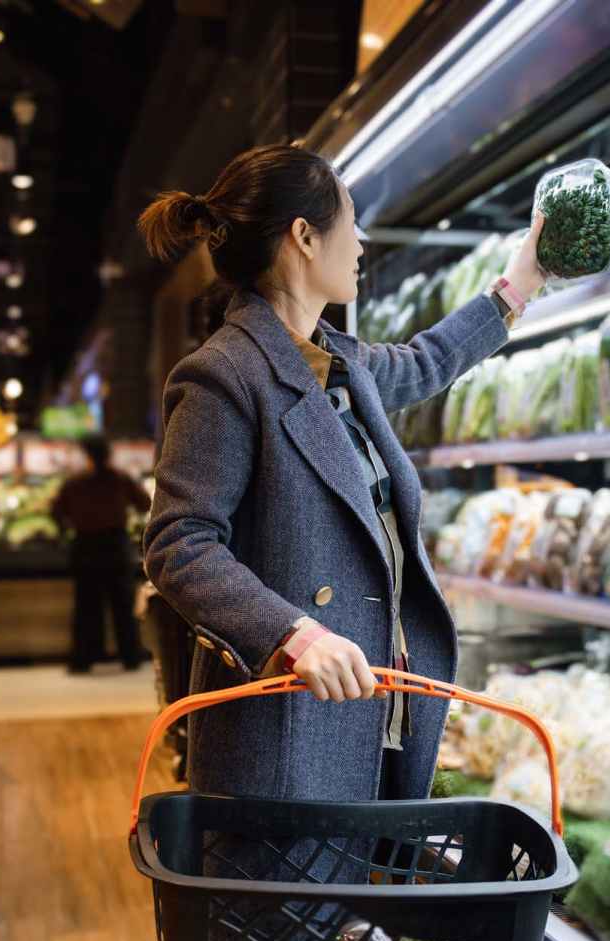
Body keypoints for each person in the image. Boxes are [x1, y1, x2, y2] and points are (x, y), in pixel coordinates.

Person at [138, 145, 545, 843]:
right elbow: (179, 544)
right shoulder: (222, 376)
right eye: (350, 223)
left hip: (365, 713)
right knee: (286, 935)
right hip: (286, 725)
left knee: (348, 923)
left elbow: (426, 363)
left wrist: (521, 281)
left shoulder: (338, 361)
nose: (359, 244)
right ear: (304, 236)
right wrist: (293, 634)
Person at [53, 433, 152, 674]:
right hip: (115, 546)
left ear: (86, 454)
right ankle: (130, 657)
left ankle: (82, 659)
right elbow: (145, 503)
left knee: (86, 607)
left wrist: (69, 527)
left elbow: (56, 511)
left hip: (85, 547)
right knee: (122, 606)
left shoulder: (74, 482)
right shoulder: (119, 479)